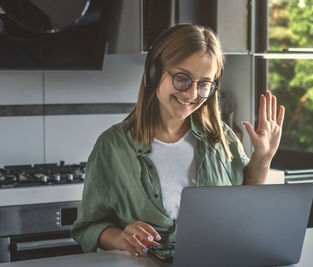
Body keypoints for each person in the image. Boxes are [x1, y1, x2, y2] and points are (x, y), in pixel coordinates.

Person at [71, 24, 285, 257]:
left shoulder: (221, 139)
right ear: (154, 73)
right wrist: (120, 237)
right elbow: (88, 228)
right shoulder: (112, 146)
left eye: (204, 84)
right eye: (182, 78)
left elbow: (246, 209)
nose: (192, 94)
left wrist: (263, 158)